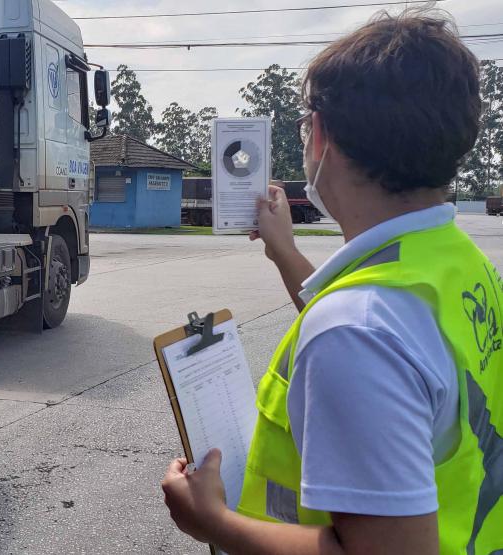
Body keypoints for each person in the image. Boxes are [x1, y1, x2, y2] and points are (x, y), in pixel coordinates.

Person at [161, 10, 502, 555]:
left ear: (320, 134)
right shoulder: (458, 262)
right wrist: (284, 252)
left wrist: (213, 522)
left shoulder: (356, 328)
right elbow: (387, 337)